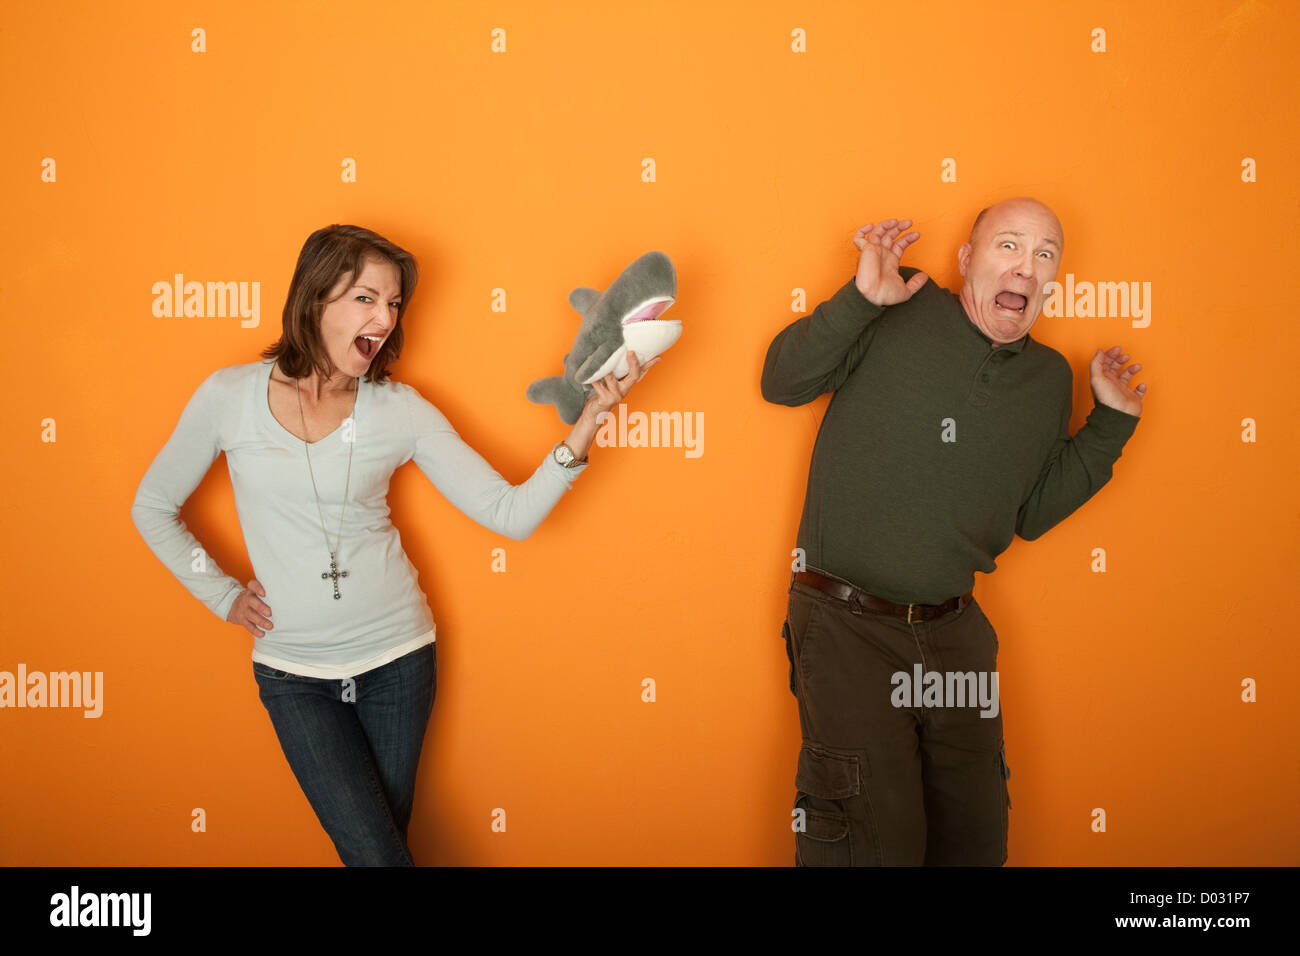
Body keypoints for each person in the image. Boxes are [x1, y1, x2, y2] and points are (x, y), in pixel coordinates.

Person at [130, 224, 656, 865]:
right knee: (378, 856)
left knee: (378, 856)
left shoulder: (398, 409)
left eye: (395, 303)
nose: (385, 317)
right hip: (295, 676)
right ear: (315, 297)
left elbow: (508, 514)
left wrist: (588, 423)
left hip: (399, 664)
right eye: (366, 299)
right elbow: (153, 507)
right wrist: (223, 599)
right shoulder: (228, 397)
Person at [761, 198, 1145, 866]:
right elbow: (782, 382)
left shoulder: (1048, 378)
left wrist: (1110, 425)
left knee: (975, 839)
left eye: (1045, 255)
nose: (1026, 268)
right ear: (967, 261)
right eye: (1009, 247)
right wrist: (861, 299)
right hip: (847, 625)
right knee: (867, 841)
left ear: (1053, 281)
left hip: (956, 635)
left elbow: (1029, 514)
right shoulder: (899, 306)